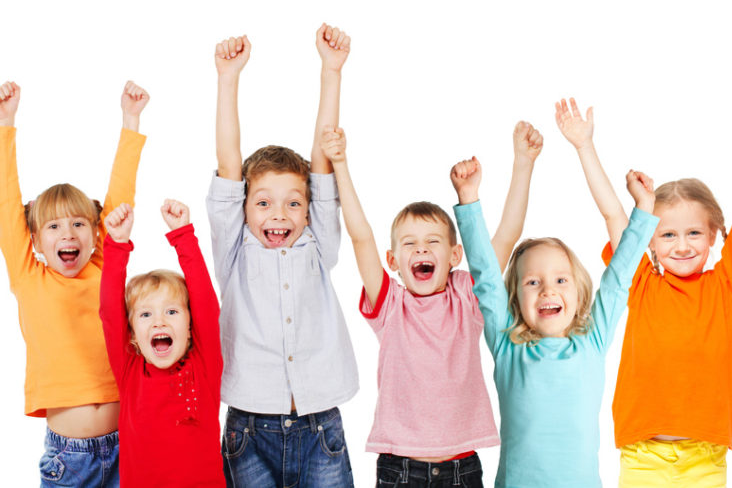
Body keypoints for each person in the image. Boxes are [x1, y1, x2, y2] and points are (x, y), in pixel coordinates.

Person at [558, 96, 732, 486]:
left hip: (704, 456)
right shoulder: (639, 282)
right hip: (642, 455)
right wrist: (585, 146)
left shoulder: (727, 284)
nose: (682, 246)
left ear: (715, 234)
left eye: (694, 233)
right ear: (649, 240)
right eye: (668, 234)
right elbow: (613, 215)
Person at [320, 120, 542, 486]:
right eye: (409, 243)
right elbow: (361, 238)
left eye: (432, 241)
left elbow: (505, 237)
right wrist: (341, 165)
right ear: (392, 261)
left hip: (462, 468)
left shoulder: (466, 297)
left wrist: (524, 163)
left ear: (455, 254)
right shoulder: (390, 304)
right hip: (400, 469)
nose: (421, 248)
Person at [454, 119, 658, 487]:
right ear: (516, 298)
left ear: (579, 293)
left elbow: (618, 278)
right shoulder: (507, 345)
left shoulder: (592, 341)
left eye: (560, 280)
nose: (548, 290)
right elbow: (485, 275)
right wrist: (469, 201)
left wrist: (644, 210)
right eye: (533, 282)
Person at [208, 25, 357, 487]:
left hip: (320, 425)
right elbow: (230, 162)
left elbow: (321, 165)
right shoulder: (235, 249)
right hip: (249, 427)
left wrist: (331, 72)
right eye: (264, 202)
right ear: (245, 207)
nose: (280, 213)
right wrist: (227, 79)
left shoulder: (317, 242)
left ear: (309, 211)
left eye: (293, 202)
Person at [0, 80, 147, 486]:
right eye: (54, 226)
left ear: (95, 233)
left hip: (128, 446)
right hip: (70, 459)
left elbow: (119, 201)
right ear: (34, 239)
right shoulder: (30, 278)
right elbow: (7, 203)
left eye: (79, 224)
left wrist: (130, 121)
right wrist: (5, 124)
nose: (68, 234)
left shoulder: (103, 266)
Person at [100, 200, 224, 487]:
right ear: (132, 334)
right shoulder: (130, 371)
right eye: (145, 314)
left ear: (191, 328)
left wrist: (183, 237)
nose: (159, 322)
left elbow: (206, 304)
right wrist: (117, 245)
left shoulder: (204, 367)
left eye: (171, 311)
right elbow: (109, 313)